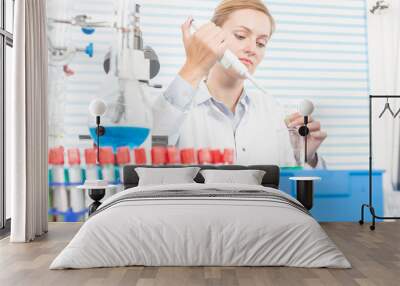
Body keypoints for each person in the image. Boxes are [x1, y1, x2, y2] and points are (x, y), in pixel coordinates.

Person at [152, 0, 327, 168]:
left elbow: (293, 191)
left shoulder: (274, 113)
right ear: (214, 36)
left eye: (261, 43)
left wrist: (304, 156)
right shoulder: (176, 106)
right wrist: (193, 67)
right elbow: (143, 160)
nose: (252, 49)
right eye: (241, 36)